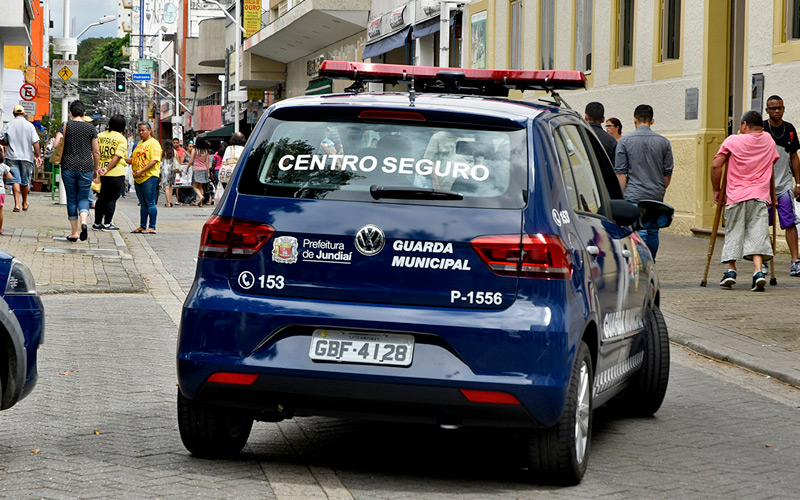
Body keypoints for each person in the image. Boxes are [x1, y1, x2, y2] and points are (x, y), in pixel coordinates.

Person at [712, 110, 780, 291]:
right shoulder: (768, 140)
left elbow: (716, 165)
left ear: (743, 125)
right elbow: (772, 166)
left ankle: (731, 270)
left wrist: (717, 190)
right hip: (759, 195)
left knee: (734, 231)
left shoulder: (733, 141)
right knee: (758, 233)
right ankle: (758, 271)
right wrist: (773, 197)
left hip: (736, 194)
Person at [614, 104, 674, 259]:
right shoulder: (664, 142)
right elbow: (667, 172)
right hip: (655, 193)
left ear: (634, 120)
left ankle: (643, 262)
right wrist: (660, 188)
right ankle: (652, 260)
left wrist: (621, 196)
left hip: (634, 193)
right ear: (652, 121)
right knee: (653, 230)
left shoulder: (625, 141)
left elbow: (621, 173)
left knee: (640, 231)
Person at [762, 95, 800, 276]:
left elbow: (794, 157)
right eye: (773, 108)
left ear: (783, 109)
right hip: (764, 185)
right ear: (767, 110)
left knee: (789, 222)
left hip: (784, 183)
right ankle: (763, 260)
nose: (776, 111)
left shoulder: (790, 129)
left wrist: (798, 183)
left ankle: (795, 261)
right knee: (762, 224)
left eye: (779, 108)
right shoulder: (761, 129)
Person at [52, 100, 100, 242]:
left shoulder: (65, 126)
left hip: (68, 166)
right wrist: (96, 169)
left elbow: (55, 144)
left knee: (71, 198)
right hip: (86, 166)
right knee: (84, 198)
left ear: (71, 113)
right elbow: (96, 152)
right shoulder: (91, 129)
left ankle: (74, 232)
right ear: (84, 114)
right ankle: (84, 221)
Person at [0, 105, 42, 212]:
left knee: (15, 181)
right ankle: (24, 202)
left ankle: (17, 204)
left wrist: (7, 142)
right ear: (24, 114)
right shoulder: (29, 126)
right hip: (26, 157)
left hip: (12, 156)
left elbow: (1, 139)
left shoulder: (9, 125)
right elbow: (35, 143)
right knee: (25, 181)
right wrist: (38, 155)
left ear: (14, 114)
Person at [92, 114, 127, 231]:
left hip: (100, 174)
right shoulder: (121, 139)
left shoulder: (99, 136)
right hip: (115, 173)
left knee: (101, 198)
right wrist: (107, 168)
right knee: (111, 199)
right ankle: (107, 223)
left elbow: (94, 153)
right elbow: (117, 156)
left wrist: (97, 169)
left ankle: (97, 222)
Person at [127, 123, 161, 234]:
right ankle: (142, 225)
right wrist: (120, 158)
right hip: (138, 177)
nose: (141, 132)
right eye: (140, 130)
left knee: (150, 202)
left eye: (144, 130)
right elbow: (133, 159)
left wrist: (141, 170)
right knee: (143, 203)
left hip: (149, 176)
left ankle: (152, 227)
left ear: (149, 130)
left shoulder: (154, 143)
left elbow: (154, 160)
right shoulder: (138, 144)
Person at [189, 137, 211, 207]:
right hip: (204, 169)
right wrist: (208, 172)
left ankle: (200, 196)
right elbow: (207, 163)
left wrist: (187, 167)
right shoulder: (206, 151)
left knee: (195, 186)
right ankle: (201, 203)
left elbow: (191, 160)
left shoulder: (194, 150)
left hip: (196, 169)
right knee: (200, 186)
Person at [0, 148, 13, 235]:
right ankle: (0, 228)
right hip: (0, 190)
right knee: (0, 210)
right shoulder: (3, 166)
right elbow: (10, 177)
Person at [160, 139, 177, 207]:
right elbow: (177, 161)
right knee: (171, 186)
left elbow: (160, 160)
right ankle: (170, 200)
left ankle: (168, 203)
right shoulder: (174, 152)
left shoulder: (163, 152)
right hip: (172, 170)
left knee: (166, 187)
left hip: (165, 170)